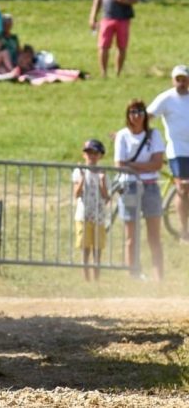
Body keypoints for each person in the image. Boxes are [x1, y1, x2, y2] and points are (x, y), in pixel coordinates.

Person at [114, 99, 166, 280]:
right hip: (129, 187)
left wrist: (132, 165)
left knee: (154, 235)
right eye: (133, 112)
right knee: (131, 235)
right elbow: (120, 165)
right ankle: (133, 273)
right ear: (128, 115)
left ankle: (159, 274)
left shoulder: (154, 135)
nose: (137, 115)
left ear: (145, 115)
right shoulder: (122, 135)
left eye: (140, 112)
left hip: (150, 187)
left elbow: (158, 163)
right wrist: (145, 166)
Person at [147, 65, 189, 242]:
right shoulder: (166, 98)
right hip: (178, 150)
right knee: (183, 188)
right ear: (173, 80)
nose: (180, 83)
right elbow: (147, 116)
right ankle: (184, 232)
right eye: (177, 79)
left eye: (184, 79)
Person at [89, 0, 139, 78]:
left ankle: (118, 72)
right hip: (107, 17)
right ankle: (103, 72)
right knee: (103, 46)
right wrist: (93, 16)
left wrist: (125, 0)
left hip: (123, 18)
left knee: (121, 46)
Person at [72, 138, 111, 282]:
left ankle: (97, 278)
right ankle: (86, 277)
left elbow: (107, 197)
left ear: (100, 155)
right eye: (88, 153)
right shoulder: (79, 171)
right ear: (84, 155)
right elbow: (76, 194)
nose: (91, 156)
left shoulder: (104, 172)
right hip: (83, 215)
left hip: (99, 216)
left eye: (95, 153)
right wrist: (82, 179)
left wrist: (102, 181)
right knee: (85, 248)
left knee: (97, 250)